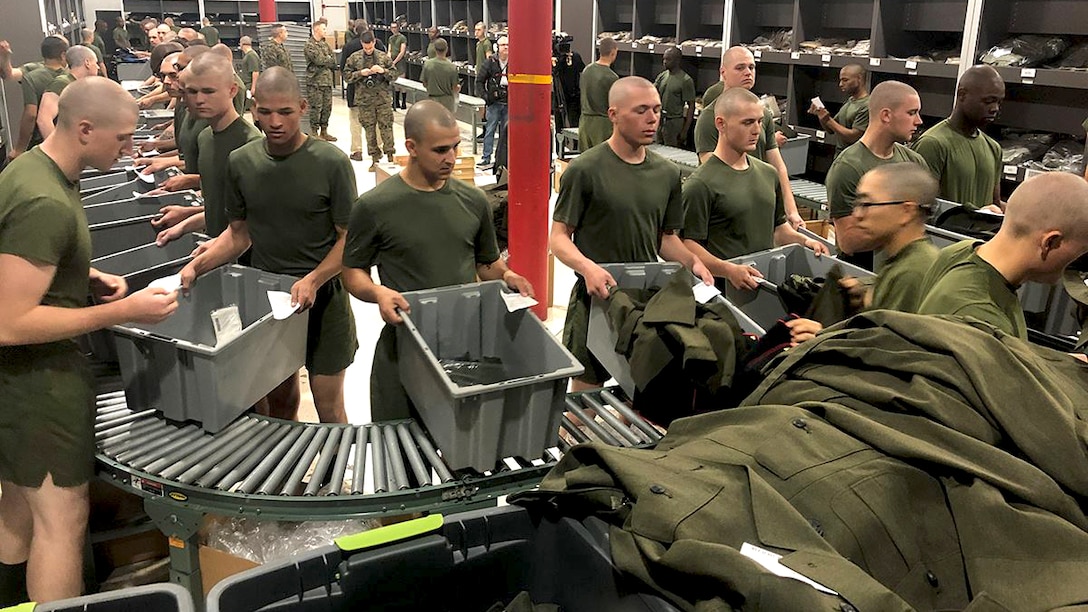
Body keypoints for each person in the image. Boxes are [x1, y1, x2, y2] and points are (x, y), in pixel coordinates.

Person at [0, 77, 178, 606]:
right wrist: (123, 311)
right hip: (36, 386)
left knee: (16, 505)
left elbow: (19, 263)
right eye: (122, 139)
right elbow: (9, 322)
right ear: (84, 130)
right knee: (62, 519)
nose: (129, 149)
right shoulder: (45, 200)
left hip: (19, 388)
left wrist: (83, 274)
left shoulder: (33, 169)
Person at [179, 67, 357, 423]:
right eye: (265, 112)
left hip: (324, 300)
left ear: (303, 107)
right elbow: (239, 233)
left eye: (286, 112)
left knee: (329, 406)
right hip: (269, 301)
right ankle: (287, 476)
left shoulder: (330, 163)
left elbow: (348, 238)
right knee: (279, 404)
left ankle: (332, 479)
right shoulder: (242, 162)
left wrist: (314, 279)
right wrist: (198, 265)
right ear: (253, 109)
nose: (275, 121)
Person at [342, 101, 532, 421]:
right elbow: (352, 272)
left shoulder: (473, 201)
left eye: (456, 147)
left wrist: (507, 275)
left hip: (463, 345)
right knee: (402, 457)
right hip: (405, 345)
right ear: (411, 147)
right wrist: (378, 293)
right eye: (440, 150)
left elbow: (486, 263)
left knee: (463, 458)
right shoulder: (375, 206)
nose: (452, 158)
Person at [550, 76, 714, 390]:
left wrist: (692, 261)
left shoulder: (667, 173)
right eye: (641, 111)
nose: (652, 118)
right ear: (613, 115)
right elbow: (558, 237)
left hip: (644, 300)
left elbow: (665, 240)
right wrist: (588, 268)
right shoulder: (585, 170)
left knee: (641, 394)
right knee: (584, 399)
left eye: (656, 110)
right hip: (596, 298)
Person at [682, 88, 829, 291]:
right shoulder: (700, 184)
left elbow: (778, 229)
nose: (756, 130)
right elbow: (688, 245)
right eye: (747, 122)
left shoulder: (768, 174)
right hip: (724, 294)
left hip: (764, 286)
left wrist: (805, 241)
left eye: (759, 121)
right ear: (720, 124)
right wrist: (728, 270)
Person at [918, 172, 1088, 340]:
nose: (1081, 260)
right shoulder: (982, 320)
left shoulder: (959, 252)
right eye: (1083, 250)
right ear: (1050, 243)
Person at [694, 46, 805, 229]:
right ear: (723, 72)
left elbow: (777, 165)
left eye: (751, 67)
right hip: (728, 212)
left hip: (759, 203)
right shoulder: (710, 117)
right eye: (740, 68)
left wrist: (791, 210)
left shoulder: (764, 114)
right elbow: (711, 170)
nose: (748, 73)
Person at [827, 80, 928, 271]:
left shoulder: (914, 162)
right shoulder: (848, 167)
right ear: (886, 115)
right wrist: (900, 223)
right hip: (865, 278)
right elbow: (848, 242)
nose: (919, 121)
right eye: (911, 113)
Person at [838, 163, 940, 313]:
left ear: (906, 212)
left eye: (866, 204)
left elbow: (887, 336)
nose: (857, 214)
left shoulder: (912, 273)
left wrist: (821, 334)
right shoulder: (902, 260)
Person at [912, 65, 1005, 213]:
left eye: (999, 102)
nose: (995, 108)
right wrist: (976, 215)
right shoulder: (932, 144)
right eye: (988, 101)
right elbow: (921, 210)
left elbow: (996, 204)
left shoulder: (994, 148)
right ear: (962, 95)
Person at [11, 36, 69, 160]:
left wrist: (19, 149)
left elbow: (30, 115)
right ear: (63, 55)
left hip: (42, 142)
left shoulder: (32, 77)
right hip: (68, 138)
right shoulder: (71, 76)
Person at [345, 30, 396, 169]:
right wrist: (360, 73)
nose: (368, 50)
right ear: (362, 43)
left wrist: (383, 71)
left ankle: (390, 155)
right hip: (364, 101)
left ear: (374, 42)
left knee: (386, 127)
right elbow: (346, 76)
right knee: (369, 130)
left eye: (370, 46)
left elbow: (394, 74)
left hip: (382, 99)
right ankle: (375, 157)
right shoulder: (354, 58)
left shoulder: (383, 57)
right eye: (365, 47)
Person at [35, 45, 98, 141]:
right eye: (95, 62)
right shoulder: (61, 83)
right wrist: (57, 150)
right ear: (87, 63)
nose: (98, 67)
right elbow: (44, 120)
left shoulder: (79, 85)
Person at [808, 64, 869, 157]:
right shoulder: (850, 101)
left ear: (859, 79)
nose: (840, 84)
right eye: (840, 80)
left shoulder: (866, 105)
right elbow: (830, 129)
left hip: (854, 158)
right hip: (840, 155)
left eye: (845, 80)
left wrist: (828, 120)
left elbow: (853, 137)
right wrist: (821, 115)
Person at [578, 36, 618, 151]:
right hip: (602, 127)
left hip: (585, 124)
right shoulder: (611, 77)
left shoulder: (586, 70)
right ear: (613, 52)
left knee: (586, 162)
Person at [476, 35, 508, 168]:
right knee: (490, 130)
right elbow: (479, 81)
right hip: (494, 103)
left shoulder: (516, 61)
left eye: (508, 45)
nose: (506, 47)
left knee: (505, 132)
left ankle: (502, 158)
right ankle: (486, 157)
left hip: (509, 103)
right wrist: (485, 96)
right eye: (503, 45)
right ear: (497, 47)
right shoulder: (490, 62)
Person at [653, 47, 695, 148]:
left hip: (674, 122)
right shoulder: (662, 76)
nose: (664, 62)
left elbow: (691, 106)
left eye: (668, 59)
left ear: (677, 61)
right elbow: (652, 90)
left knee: (672, 152)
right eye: (664, 59)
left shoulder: (685, 80)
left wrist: (685, 130)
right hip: (661, 121)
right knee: (658, 150)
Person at [304, 19, 337, 142]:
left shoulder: (325, 45)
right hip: (315, 82)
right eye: (323, 29)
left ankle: (324, 131)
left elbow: (333, 61)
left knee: (327, 107)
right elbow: (319, 60)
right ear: (316, 30)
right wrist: (326, 59)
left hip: (327, 82)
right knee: (316, 107)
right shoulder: (309, 45)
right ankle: (314, 132)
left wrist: (326, 59)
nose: (325, 31)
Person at [340, 21, 367, 159]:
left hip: (355, 90)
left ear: (355, 30)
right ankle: (379, 150)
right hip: (374, 92)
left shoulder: (348, 46)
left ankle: (357, 150)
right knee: (375, 122)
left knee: (355, 120)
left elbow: (343, 70)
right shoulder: (378, 44)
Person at [421, 39, 459, 114]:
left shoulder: (428, 64)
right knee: (446, 124)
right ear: (447, 49)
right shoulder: (452, 67)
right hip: (448, 102)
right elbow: (455, 87)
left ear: (434, 49)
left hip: (432, 100)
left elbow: (424, 83)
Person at [388, 22, 408, 109]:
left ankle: (403, 102)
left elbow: (402, 51)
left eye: (395, 27)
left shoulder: (402, 38)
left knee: (402, 81)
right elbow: (389, 50)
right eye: (392, 27)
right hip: (392, 62)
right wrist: (389, 60)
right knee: (395, 82)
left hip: (400, 62)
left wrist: (395, 61)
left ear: (398, 27)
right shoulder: (391, 38)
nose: (394, 29)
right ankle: (396, 102)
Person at [239, 35, 260, 102]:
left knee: (251, 104)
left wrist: (253, 87)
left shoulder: (251, 55)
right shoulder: (249, 55)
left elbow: (255, 72)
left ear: (242, 44)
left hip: (249, 85)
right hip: (247, 85)